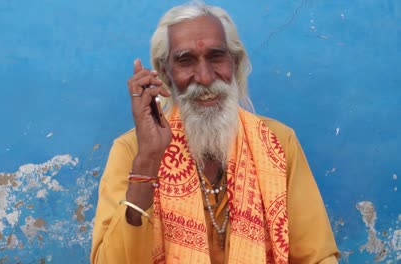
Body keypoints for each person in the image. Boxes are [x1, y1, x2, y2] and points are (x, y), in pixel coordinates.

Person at [91, 2, 339, 263]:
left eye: (216, 57)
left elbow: (317, 256)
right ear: (165, 73)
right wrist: (148, 161)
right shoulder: (132, 151)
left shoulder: (278, 142)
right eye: (185, 61)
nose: (205, 77)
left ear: (235, 62)